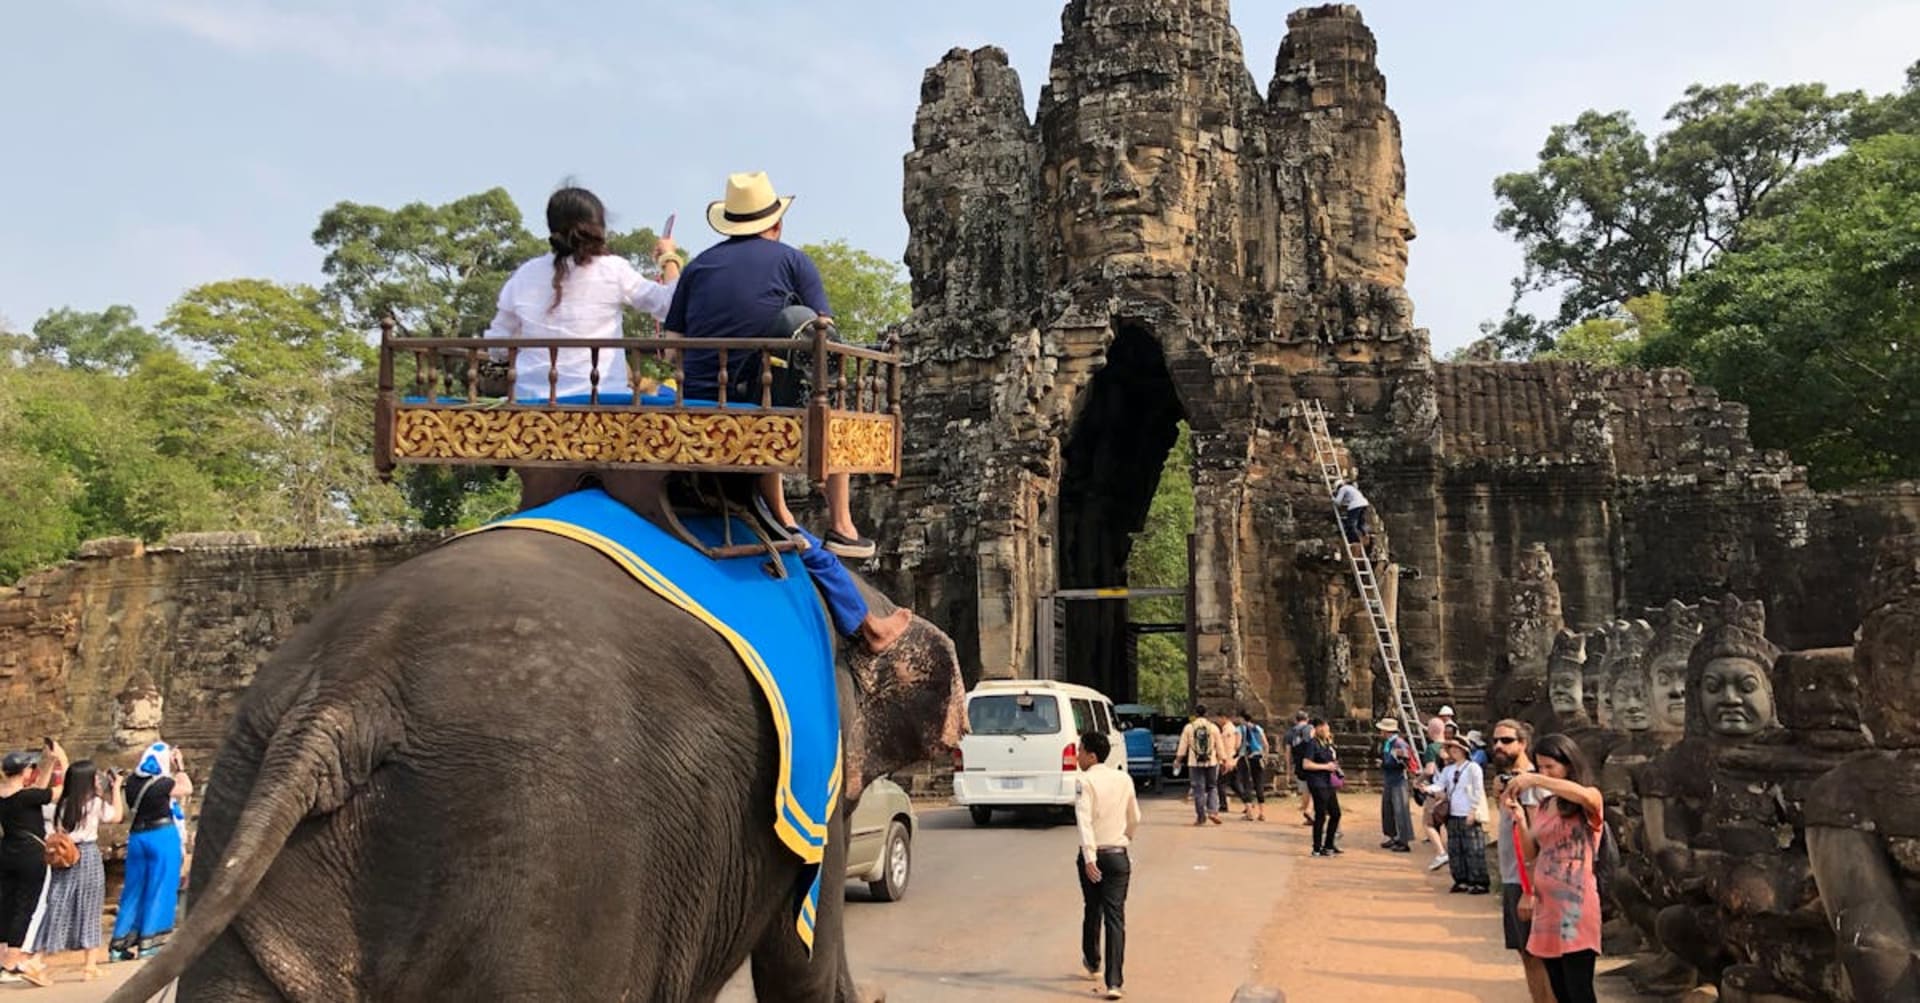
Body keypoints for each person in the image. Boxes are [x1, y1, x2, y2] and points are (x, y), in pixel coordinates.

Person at [664, 170, 874, 561]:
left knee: (770, 385)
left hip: (697, 402)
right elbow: (822, 334)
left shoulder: (697, 267)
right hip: (762, 408)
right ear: (776, 224)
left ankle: (781, 512)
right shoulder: (793, 261)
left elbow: (670, 351)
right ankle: (842, 526)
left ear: (729, 223)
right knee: (808, 393)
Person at [484, 186, 681, 406]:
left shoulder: (525, 274)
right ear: (599, 227)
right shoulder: (613, 270)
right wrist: (669, 257)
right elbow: (671, 305)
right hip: (603, 401)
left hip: (532, 403)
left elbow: (497, 346)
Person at [1507, 734, 1605, 1003]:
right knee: (1560, 991)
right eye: (1540, 767)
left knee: (1579, 990)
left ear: (1569, 765)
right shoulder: (1545, 805)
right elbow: (1533, 853)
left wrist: (1536, 780)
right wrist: (1520, 821)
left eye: (1551, 766)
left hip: (1576, 907)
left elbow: (1585, 796)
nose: (1544, 772)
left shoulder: (1587, 799)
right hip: (1547, 908)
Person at [28, 760, 123, 982]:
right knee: (90, 906)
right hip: (87, 855)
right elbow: (117, 816)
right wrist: (116, 788)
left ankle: (37, 958)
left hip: (65, 856)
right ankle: (89, 965)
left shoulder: (61, 805)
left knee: (58, 906)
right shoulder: (94, 804)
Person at [1073, 731, 1139, 1001]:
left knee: (1093, 908)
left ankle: (1093, 961)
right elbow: (1135, 816)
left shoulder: (1084, 781)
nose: (1077, 755)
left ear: (1091, 756)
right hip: (1117, 853)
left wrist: (1089, 857)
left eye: (1080, 750)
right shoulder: (1124, 779)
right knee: (1115, 917)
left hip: (1095, 854)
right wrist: (1126, 839)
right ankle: (1114, 982)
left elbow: (1084, 820)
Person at [1490, 719, 1553, 1003]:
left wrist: (1531, 890)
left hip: (1527, 880)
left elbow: (1536, 838)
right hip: (1512, 876)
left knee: (1538, 954)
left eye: (1506, 741)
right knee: (1526, 953)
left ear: (1523, 744)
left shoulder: (1531, 783)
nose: (1498, 746)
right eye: (1495, 741)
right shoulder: (1510, 781)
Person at [110, 742, 189, 961]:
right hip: (162, 836)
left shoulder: (132, 782)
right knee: (160, 887)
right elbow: (187, 788)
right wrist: (180, 766)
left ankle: (118, 946)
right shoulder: (163, 783)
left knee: (133, 890)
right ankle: (149, 942)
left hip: (137, 838)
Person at [0, 741, 63, 987]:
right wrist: (62, 761)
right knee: (24, 906)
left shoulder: (6, 795)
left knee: (6, 904)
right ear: (23, 772)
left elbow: (38, 790)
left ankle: (2, 958)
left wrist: (47, 763)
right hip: (29, 854)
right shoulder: (28, 797)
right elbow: (59, 791)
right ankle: (10, 963)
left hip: (7, 851)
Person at [1431, 738, 1491, 894]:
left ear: (1465, 750)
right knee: (1455, 848)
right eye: (1451, 748)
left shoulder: (1473, 768)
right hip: (1453, 812)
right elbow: (1440, 785)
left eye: (1457, 748)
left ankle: (1479, 881)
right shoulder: (1448, 770)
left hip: (1467, 812)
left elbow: (1478, 790)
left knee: (1473, 848)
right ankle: (1461, 879)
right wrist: (1427, 788)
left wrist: (1473, 810)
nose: (1453, 750)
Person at [1173, 707, 1224, 826]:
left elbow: (1182, 746)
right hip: (1211, 762)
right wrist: (1223, 760)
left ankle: (1201, 817)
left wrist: (1178, 760)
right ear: (1206, 714)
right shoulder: (1213, 727)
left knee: (1198, 790)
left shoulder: (1189, 727)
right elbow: (1219, 746)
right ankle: (1213, 811)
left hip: (1194, 763)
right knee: (1212, 787)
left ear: (1195, 714)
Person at [1300, 719, 1343, 856]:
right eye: (1324, 728)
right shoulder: (1312, 744)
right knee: (1320, 815)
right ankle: (1317, 847)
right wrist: (1325, 767)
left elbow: (1331, 759)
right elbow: (1306, 764)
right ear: (1318, 728)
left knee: (1335, 813)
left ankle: (1329, 844)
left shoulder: (1326, 744)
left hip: (1328, 782)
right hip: (1317, 782)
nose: (1327, 731)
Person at [1376, 719, 1416, 852]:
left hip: (1398, 780)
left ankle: (1403, 840)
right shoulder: (1388, 743)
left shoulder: (1399, 743)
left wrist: (1385, 764)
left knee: (1400, 810)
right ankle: (1393, 836)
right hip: (1390, 779)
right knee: (1388, 809)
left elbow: (1404, 761)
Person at [1233, 711, 1268, 822]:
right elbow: (1265, 744)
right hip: (1258, 757)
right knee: (1259, 784)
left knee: (1246, 784)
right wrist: (1265, 756)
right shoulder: (1258, 728)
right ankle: (1262, 813)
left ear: (1242, 719)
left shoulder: (1240, 729)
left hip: (1245, 758)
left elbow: (1237, 745)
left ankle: (1249, 813)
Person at [1211, 708, 1241, 817]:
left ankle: (1223, 805)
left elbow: (1228, 747)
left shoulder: (1228, 730)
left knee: (1221, 783)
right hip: (1231, 760)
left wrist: (1226, 761)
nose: (1218, 721)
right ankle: (1247, 801)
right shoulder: (1229, 729)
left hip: (1229, 761)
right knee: (1234, 784)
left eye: (1218, 718)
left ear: (1223, 717)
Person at [1286, 711, 1314, 826]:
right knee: (1314, 789)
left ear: (1296, 720)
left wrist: (1288, 768)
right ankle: (1309, 811)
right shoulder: (1311, 729)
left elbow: (1288, 753)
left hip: (1299, 763)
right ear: (1307, 719)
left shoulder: (1290, 733)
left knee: (1304, 789)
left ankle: (1308, 814)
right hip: (1311, 761)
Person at [1333, 475, 1372, 548]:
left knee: (1351, 524)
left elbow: (1338, 502)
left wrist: (1332, 498)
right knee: (1360, 524)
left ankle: (1356, 540)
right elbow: (1347, 501)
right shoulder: (1351, 488)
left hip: (1355, 505)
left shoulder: (1343, 489)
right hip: (1364, 504)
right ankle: (1365, 535)